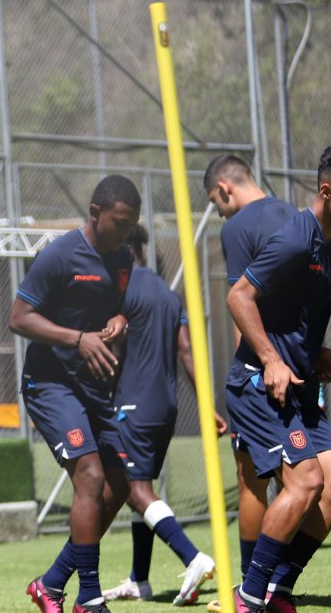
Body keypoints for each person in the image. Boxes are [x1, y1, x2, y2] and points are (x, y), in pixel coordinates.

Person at [204, 153, 331, 612]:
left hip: (298, 386)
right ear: (326, 192)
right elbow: (239, 297)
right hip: (259, 386)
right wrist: (270, 359)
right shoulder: (294, 239)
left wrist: (316, 353)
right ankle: (248, 599)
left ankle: (277, 591)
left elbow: (301, 318)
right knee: (305, 482)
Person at [9, 174, 140, 613]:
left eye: (131, 225)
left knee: (119, 486)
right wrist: (77, 338)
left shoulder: (123, 257)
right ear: (95, 213)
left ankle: (50, 584)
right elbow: (19, 318)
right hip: (50, 384)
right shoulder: (59, 255)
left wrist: (119, 321)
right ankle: (89, 597)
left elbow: (114, 309)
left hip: (92, 387)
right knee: (90, 476)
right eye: (119, 223)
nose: (125, 232)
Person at [101, 225, 216, 605]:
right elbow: (187, 352)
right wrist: (206, 406)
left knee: (134, 489)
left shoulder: (120, 290)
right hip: (165, 406)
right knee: (141, 486)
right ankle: (140, 579)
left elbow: (110, 350)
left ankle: (193, 558)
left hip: (133, 404)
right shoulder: (168, 294)